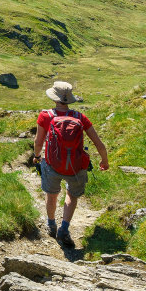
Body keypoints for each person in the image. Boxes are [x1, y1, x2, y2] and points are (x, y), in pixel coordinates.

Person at [33, 80, 109, 246]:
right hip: (76, 167)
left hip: (52, 164)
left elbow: (39, 142)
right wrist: (104, 160)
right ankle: (64, 228)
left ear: (54, 98)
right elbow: (98, 143)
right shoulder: (79, 117)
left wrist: (37, 156)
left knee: (51, 195)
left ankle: (51, 224)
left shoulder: (45, 116)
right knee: (72, 195)